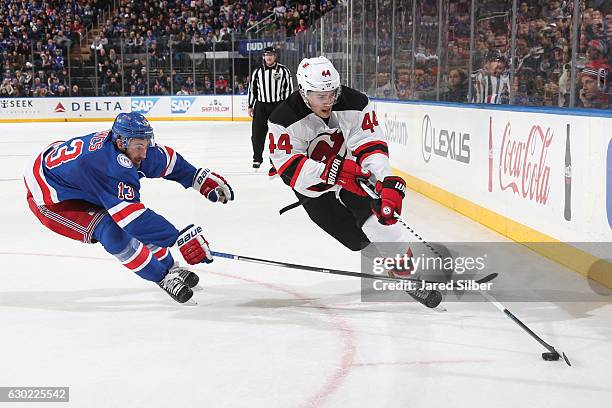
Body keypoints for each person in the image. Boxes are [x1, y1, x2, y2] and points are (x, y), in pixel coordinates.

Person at [267, 56, 439, 306]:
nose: (328, 101)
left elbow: (370, 145)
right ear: (304, 92)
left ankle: (407, 274)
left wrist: (384, 182)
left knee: (379, 218)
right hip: (314, 186)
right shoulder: (283, 118)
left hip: (355, 174)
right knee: (351, 237)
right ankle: (386, 262)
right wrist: (335, 172)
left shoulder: (355, 103)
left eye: (332, 93)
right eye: (320, 96)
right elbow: (290, 169)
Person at [23, 112, 235, 304]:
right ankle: (162, 277)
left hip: (77, 177)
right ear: (121, 142)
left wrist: (196, 177)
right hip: (51, 197)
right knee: (112, 231)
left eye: (146, 144)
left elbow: (167, 160)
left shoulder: (130, 144)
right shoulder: (109, 166)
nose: (144, 153)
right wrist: (177, 238)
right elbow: (133, 221)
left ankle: (170, 267)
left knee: (126, 216)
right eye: (139, 147)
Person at [247, 46, 293, 176]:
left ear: (275, 56)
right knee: (257, 134)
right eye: (267, 55)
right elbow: (253, 89)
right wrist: (250, 105)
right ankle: (257, 158)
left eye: (271, 55)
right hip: (261, 106)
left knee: (277, 134)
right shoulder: (257, 72)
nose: (269, 57)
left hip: (278, 106)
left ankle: (275, 160)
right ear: (263, 57)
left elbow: (288, 89)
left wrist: (287, 106)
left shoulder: (284, 71)